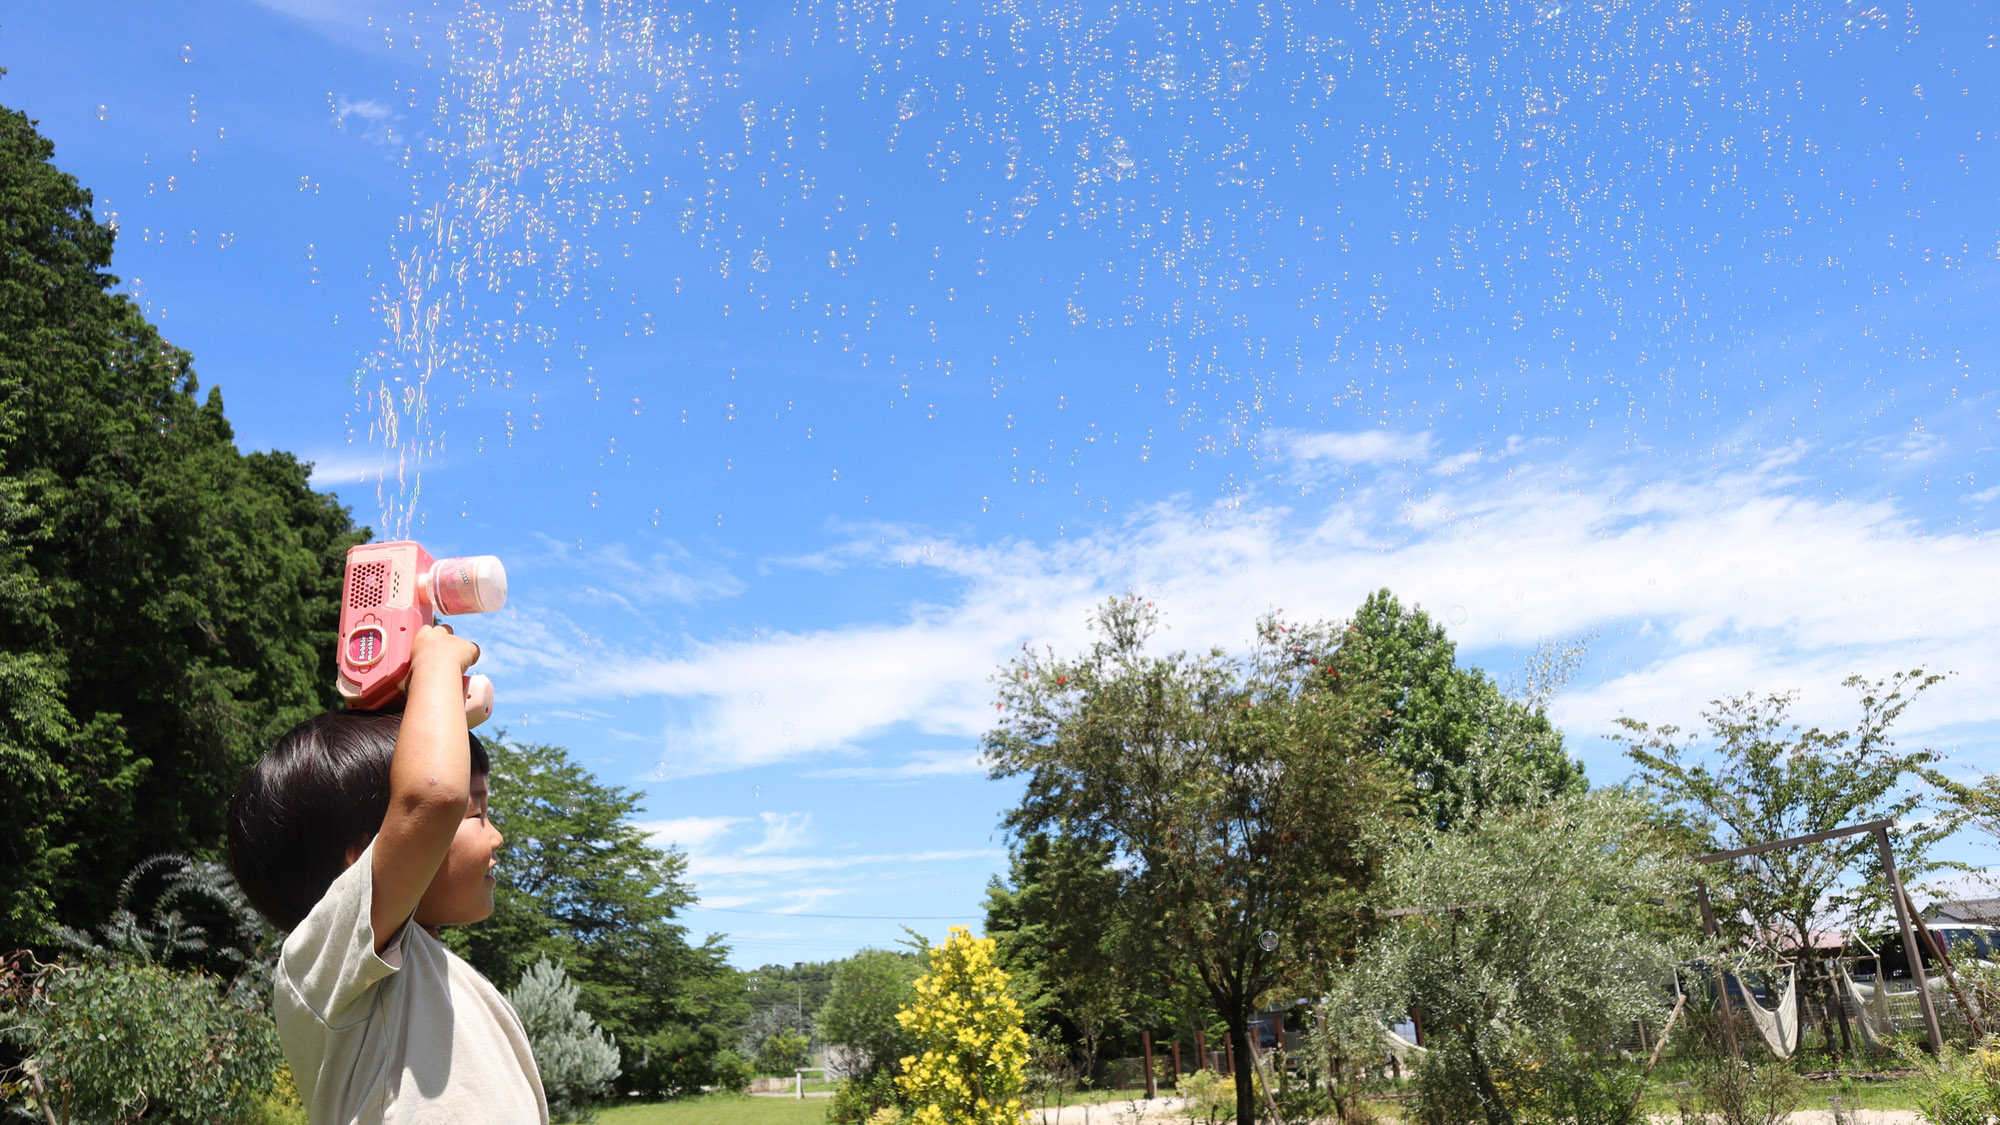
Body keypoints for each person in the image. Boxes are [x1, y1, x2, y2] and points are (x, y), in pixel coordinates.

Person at [227, 624, 548, 1124]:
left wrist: (430, 719)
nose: (496, 835)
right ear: (364, 861)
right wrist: (436, 660)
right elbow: (432, 795)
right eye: (476, 813)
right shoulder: (327, 966)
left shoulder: (442, 978)